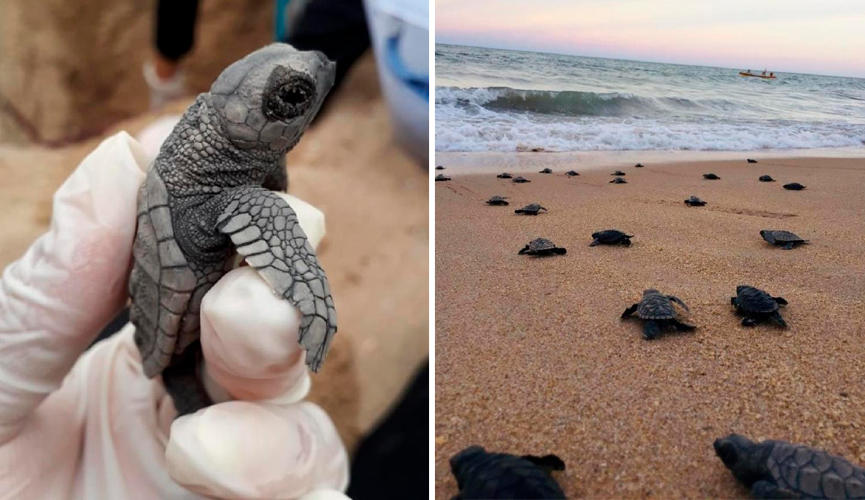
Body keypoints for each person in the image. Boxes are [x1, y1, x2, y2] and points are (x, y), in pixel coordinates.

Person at [0, 133, 349, 499]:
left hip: (162, 320)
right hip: (166, 334)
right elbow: (252, 204)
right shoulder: (230, 188)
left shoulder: (204, 165)